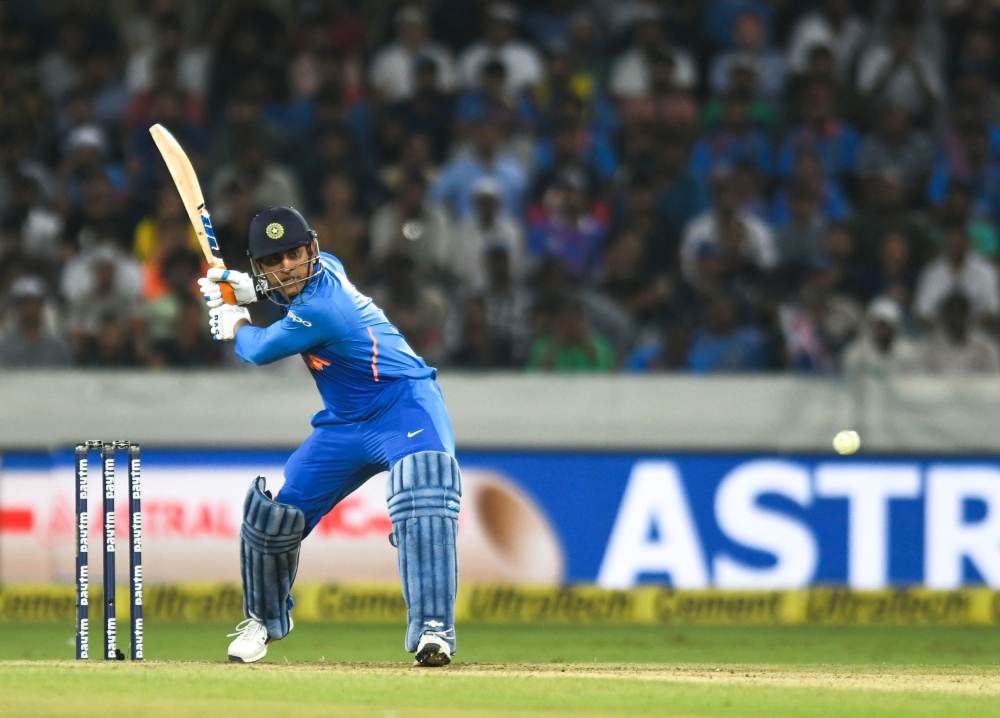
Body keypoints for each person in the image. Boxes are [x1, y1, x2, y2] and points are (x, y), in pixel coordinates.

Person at [198, 207, 459, 667]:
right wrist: (251, 289)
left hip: (404, 406)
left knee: (424, 488)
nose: (286, 267)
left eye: (294, 255)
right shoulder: (328, 267)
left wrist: (234, 320)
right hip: (345, 422)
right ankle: (265, 619)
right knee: (273, 518)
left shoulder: (325, 307)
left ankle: (433, 631)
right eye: (273, 261)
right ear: (262, 266)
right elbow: (287, 286)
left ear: (311, 250)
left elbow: (259, 350)